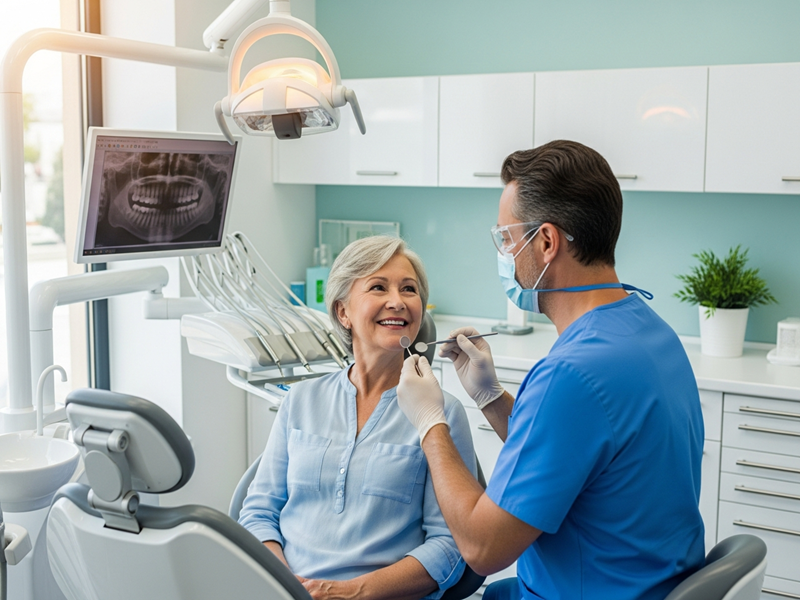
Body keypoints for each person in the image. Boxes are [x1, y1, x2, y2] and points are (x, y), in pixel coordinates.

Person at [396, 140, 705, 600]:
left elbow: (482, 547)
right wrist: (491, 397)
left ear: (545, 242)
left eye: (505, 238)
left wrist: (430, 424)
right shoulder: (651, 334)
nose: (503, 253)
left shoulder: (571, 374)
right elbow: (579, 451)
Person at [238, 235, 476, 600]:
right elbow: (257, 513)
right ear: (343, 312)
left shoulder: (440, 413)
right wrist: (287, 587)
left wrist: (351, 592)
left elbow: (450, 545)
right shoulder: (301, 400)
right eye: (378, 287)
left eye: (409, 289)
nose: (397, 301)